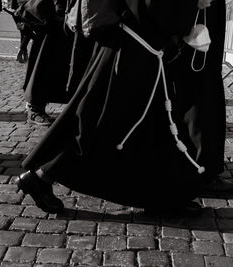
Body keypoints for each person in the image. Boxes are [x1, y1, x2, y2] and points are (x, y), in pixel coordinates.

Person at [17, 0, 206, 215]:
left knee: (151, 125)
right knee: (107, 127)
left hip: (132, 46)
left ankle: (165, 196)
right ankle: (42, 176)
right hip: (133, 51)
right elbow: (154, 8)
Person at [170, 0, 233, 194]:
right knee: (199, 89)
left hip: (203, 13)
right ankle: (201, 168)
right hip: (197, 13)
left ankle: (200, 165)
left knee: (202, 86)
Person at [22, 0, 75, 126]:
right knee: (43, 61)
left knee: (56, 62)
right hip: (53, 17)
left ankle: (36, 106)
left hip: (61, 16)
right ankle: (34, 107)